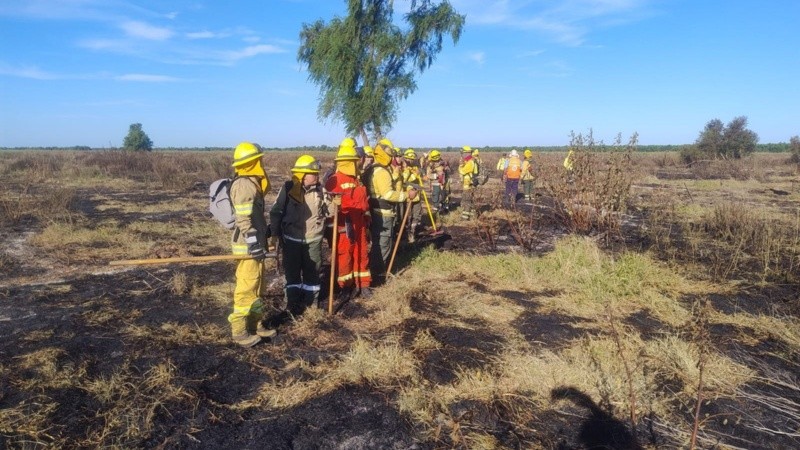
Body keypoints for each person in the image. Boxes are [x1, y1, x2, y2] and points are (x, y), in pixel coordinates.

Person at [228, 142, 276, 348]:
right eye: (259, 160)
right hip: (248, 248)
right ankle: (239, 332)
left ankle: (255, 325)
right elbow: (243, 220)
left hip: (257, 245)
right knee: (246, 287)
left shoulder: (251, 182)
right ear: (252, 162)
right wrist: (254, 243)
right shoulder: (244, 185)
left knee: (258, 287)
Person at [270, 155, 328, 316]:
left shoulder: (321, 191)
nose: (317, 176)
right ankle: (291, 302)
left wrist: (335, 204)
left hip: (314, 240)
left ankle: (311, 302)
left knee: (313, 271)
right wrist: (274, 234)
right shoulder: (288, 189)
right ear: (303, 175)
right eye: (313, 173)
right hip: (291, 239)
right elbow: (276, 212)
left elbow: (329, 213)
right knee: (292, 272)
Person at [364, 138, 417, 283]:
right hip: (383, 214)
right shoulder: (381, 171)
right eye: (389, 152)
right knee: (383, 245)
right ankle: (379, 276)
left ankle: (375, 272)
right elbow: (387, 194)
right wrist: (407, 195)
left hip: (375, 212)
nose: (392, 156)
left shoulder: (372, 169)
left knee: (377, 244)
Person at [325, 143, 373, 299]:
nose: (356, 163)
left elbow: (364, 202)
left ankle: (363, 284)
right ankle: (345, 287)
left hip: (359, 224)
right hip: (344, 225)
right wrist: (337, 205)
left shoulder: (357, 180)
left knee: (362, 253)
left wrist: (366, 217)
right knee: (345, 256)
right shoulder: (333, 180)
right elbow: (329, 207)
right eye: (353, 160)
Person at [401, 148, 424, 243]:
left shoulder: (415, 168)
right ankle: (407, 234)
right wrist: (414, 175)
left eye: (412, 159)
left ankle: (413, 232)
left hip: (417, 197)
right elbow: (404, 180)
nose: (410, 161)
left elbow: (420, 179)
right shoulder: (403, 169)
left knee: (416, 216)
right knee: (408, 217)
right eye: (408, 159)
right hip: (408, 197)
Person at [458, 146, 476, 219]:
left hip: (468, 184)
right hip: (467, 184)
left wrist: (460, 166)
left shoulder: (470, 162)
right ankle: (473, 216)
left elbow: (462, 171)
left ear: (468, 153)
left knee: (466, 200)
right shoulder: (468, 161)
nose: (463, 155)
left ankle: (465, 216)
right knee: (469, 199)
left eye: (464, 153)